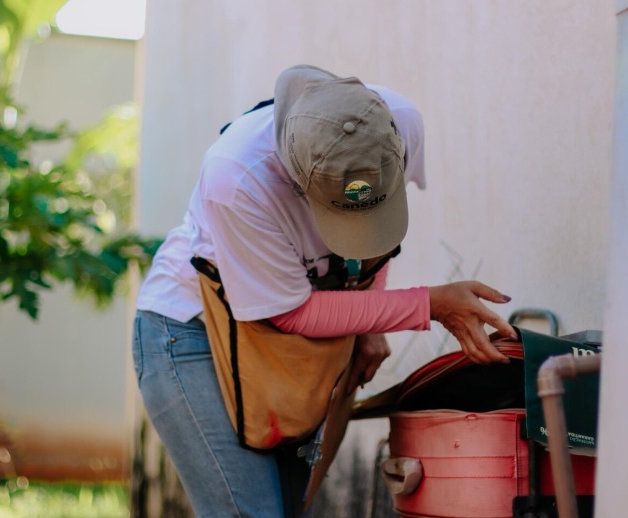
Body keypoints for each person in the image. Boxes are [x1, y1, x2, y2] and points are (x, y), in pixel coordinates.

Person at [132, 64, 517, 518]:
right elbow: (290, 313)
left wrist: (371, 324)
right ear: (295, 181)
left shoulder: (397, 124)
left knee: (296, 509)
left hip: (291, 340)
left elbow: (373, 252)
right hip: (191, 331)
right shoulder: (237, 178)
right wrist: (427, 304)